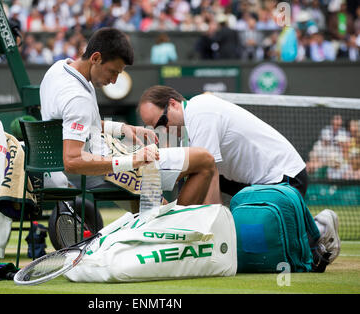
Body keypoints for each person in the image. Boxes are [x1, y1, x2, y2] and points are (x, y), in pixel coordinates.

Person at [137, 85, 340, 265]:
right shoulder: (187, 129)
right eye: (156, 128)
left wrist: (212, 233)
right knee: (245, 245)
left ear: (173, 104)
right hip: (251, 183)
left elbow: (209, 174)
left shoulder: (200, 110)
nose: (163, 130)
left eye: (162, 121)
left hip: (285, 179)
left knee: (268, 250)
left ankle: (319, 228)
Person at [39, 28, 215, 208]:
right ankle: (179, 225)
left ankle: (170, 222)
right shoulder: (78, 98)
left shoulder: (58, 69)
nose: (114, 80)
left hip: (99, 163)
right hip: (103, 171)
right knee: (205, 160)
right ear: (96, 58)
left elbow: (78, 124)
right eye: (113, 71)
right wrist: (132, 160)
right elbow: (72, 160)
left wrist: (122, 129)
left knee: (160, 209)